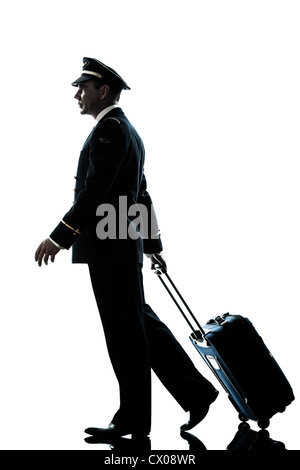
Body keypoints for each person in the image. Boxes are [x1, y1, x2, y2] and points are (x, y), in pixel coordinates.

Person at [35, 57, 218, 439]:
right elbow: (142, 193)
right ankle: (196, 391)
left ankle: (135, 419)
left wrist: (59, 236)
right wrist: (151, 245)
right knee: (139, 326)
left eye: (82, 88)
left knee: (125, 334)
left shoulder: (111, 131)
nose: (77, 95)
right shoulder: (127, 131)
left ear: (103, 90)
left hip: (109, 246)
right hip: (122, 244)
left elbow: (95, 193)